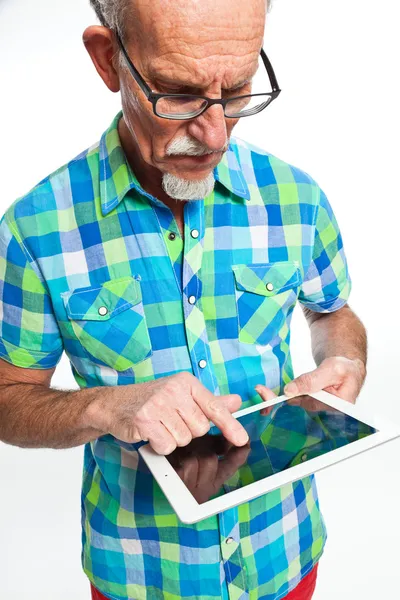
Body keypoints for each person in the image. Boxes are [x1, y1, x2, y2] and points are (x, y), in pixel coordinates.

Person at [0, 0, 367, 598]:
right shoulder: (33, 230)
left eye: (239, 86)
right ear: (108, 59)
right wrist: (104, 408)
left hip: (286, 552)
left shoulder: (297, 199)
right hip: (142, 575)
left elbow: (332, 312)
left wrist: (343, 362)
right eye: (178, 91)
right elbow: (7, 398)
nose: (215, 133)